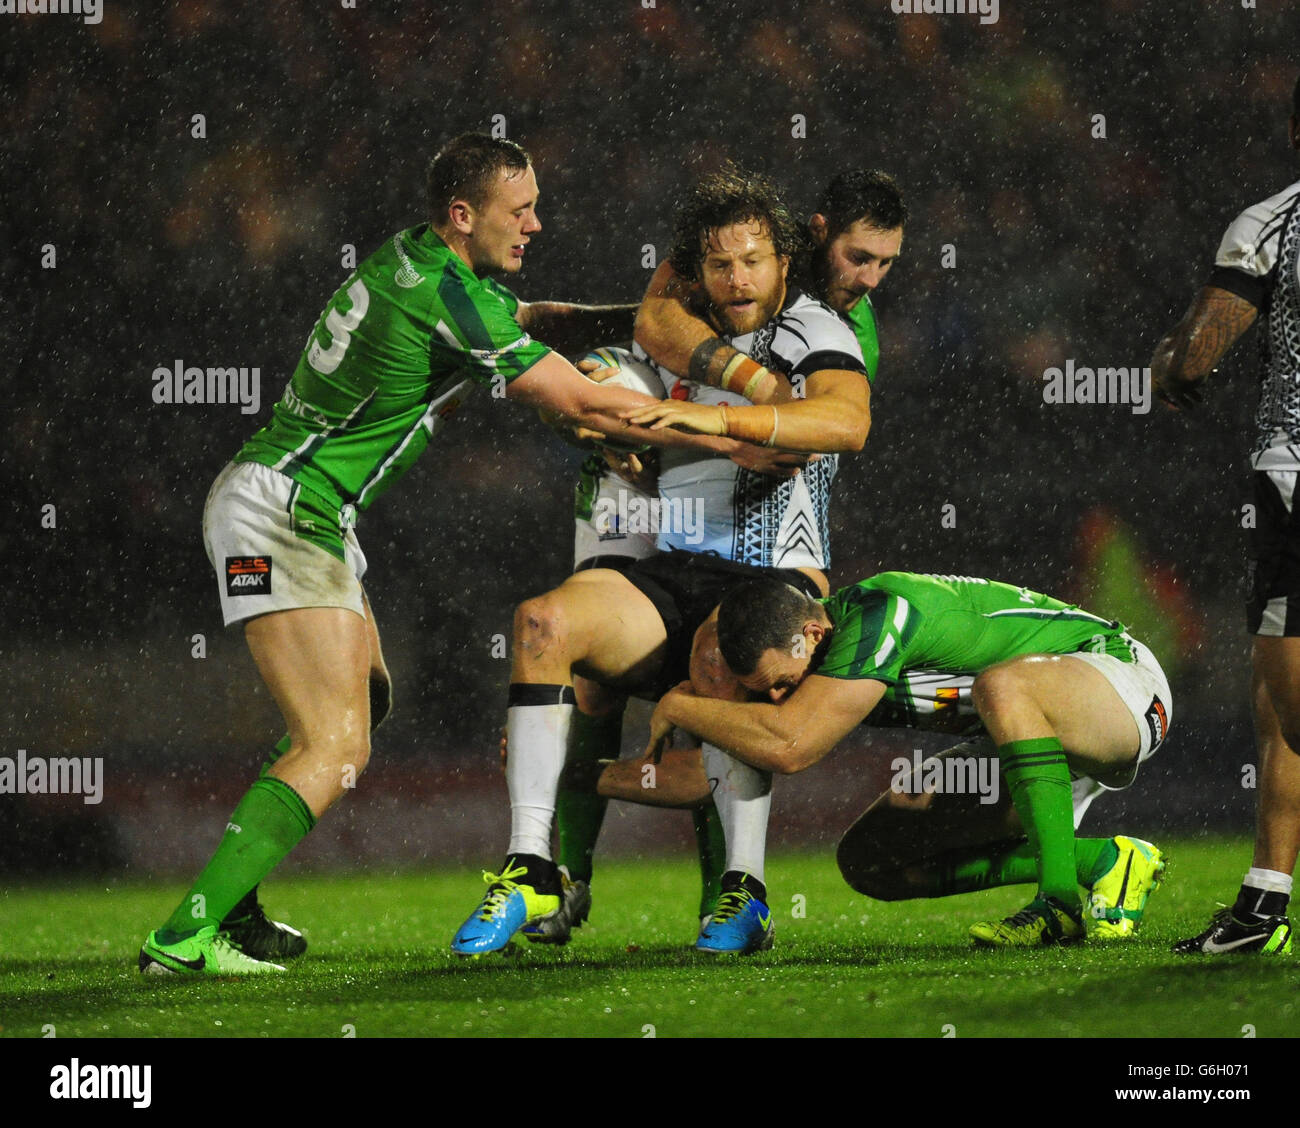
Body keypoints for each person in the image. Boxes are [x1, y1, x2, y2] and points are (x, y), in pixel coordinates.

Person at [138, 133, 740, 976]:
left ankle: (231, 911)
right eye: (519, 209)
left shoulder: (418, 266)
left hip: (296, 507)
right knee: (336, 743)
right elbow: (580, 400)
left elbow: (525, 325)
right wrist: (736, 417)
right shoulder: (447, 296)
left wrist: (642, 320)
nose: (536, 222)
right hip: (284, 514)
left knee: (361, 709)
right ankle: (184, 937)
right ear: (464, 215)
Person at [450, 168, 872, 957]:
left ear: (784, 260)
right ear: (695, 272)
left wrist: (727, 422)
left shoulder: (817, 331)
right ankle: (531, 866)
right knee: (544, 623)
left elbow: (847, 424)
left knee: (723, 656)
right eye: (720, 265)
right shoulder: (677, 330)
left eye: (753, 260)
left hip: (771, 580)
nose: (738, 278)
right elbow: (610, 375)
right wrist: (606, 421)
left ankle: (744, 891)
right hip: (672, 565)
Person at [644, 573, 1173, 949]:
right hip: (1023, 742)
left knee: (1002, 685)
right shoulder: (824, 653)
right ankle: (1105, 863)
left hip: (1120, 685)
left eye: (782, 682)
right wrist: (598, 775)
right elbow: (738, 754)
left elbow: (789, 746)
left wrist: (678, 704)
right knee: (872, 861)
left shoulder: (882, 612)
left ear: (812, 634)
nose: (779, 698)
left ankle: (1056, 906)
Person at [1155, 76, 1300, 956]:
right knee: (1277, 697)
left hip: (1296, 478)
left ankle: (1264, 908)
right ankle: (1264, 901)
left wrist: (1171, 360)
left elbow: (1198, 357)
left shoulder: (1273, 221)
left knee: (1289, 699)